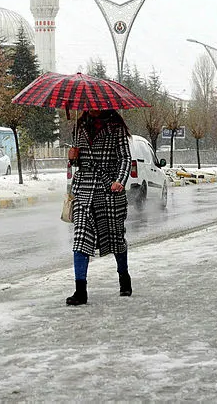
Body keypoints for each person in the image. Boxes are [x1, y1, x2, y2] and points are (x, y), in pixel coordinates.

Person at [65, 108, 132, 306]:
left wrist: (119, 180)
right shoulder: (79, 125)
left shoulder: (116, 127)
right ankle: (80, 290)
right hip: (84, 187)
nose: (90, 108)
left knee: (115, 237)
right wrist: (72, 157)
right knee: (80, 238)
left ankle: (124, 276)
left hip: (109, 187)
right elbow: (76, 161)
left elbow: (125, 158)